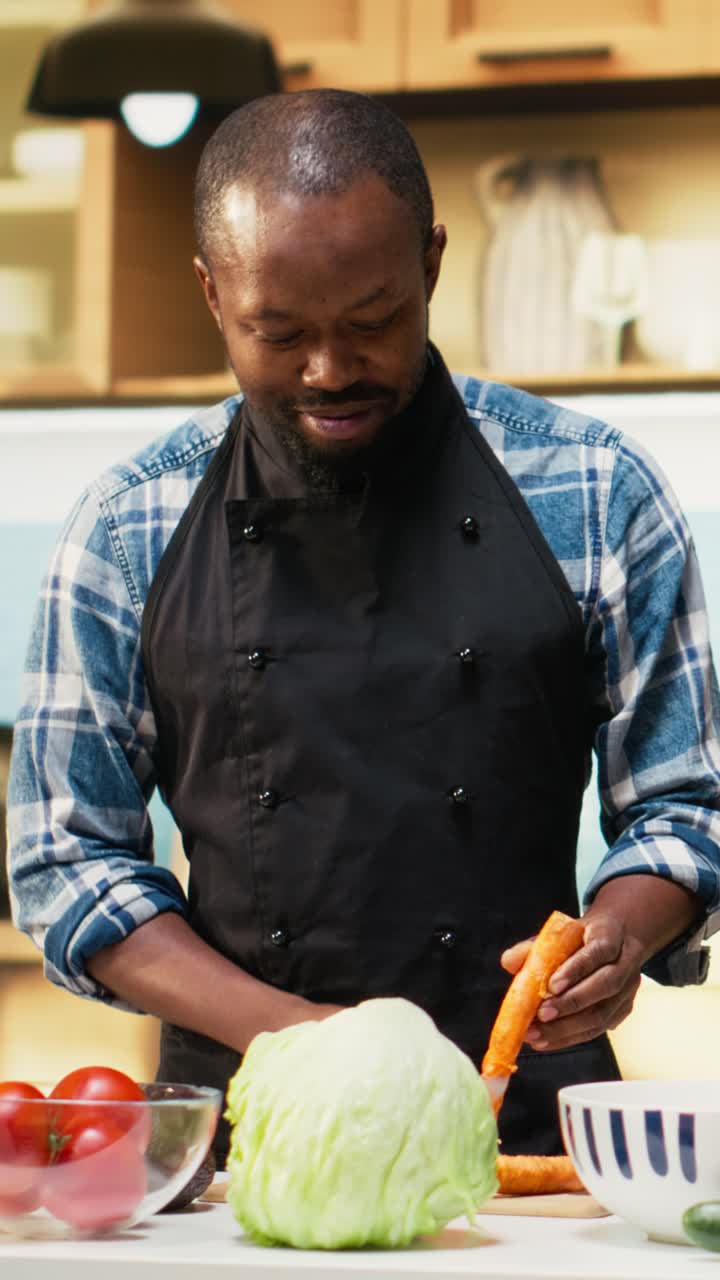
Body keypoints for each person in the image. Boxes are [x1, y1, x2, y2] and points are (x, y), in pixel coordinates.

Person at [7, 90, 720, 1169]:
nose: (329, 371)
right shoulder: (125, 523)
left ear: (431, 264)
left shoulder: (600, 487)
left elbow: (685, 802)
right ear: (212, 295)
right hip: (242, 1140)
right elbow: (64, 857)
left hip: (524, 1135)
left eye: (372, 320)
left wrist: (622, 931)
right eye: (279, 333)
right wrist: (310, 1041)